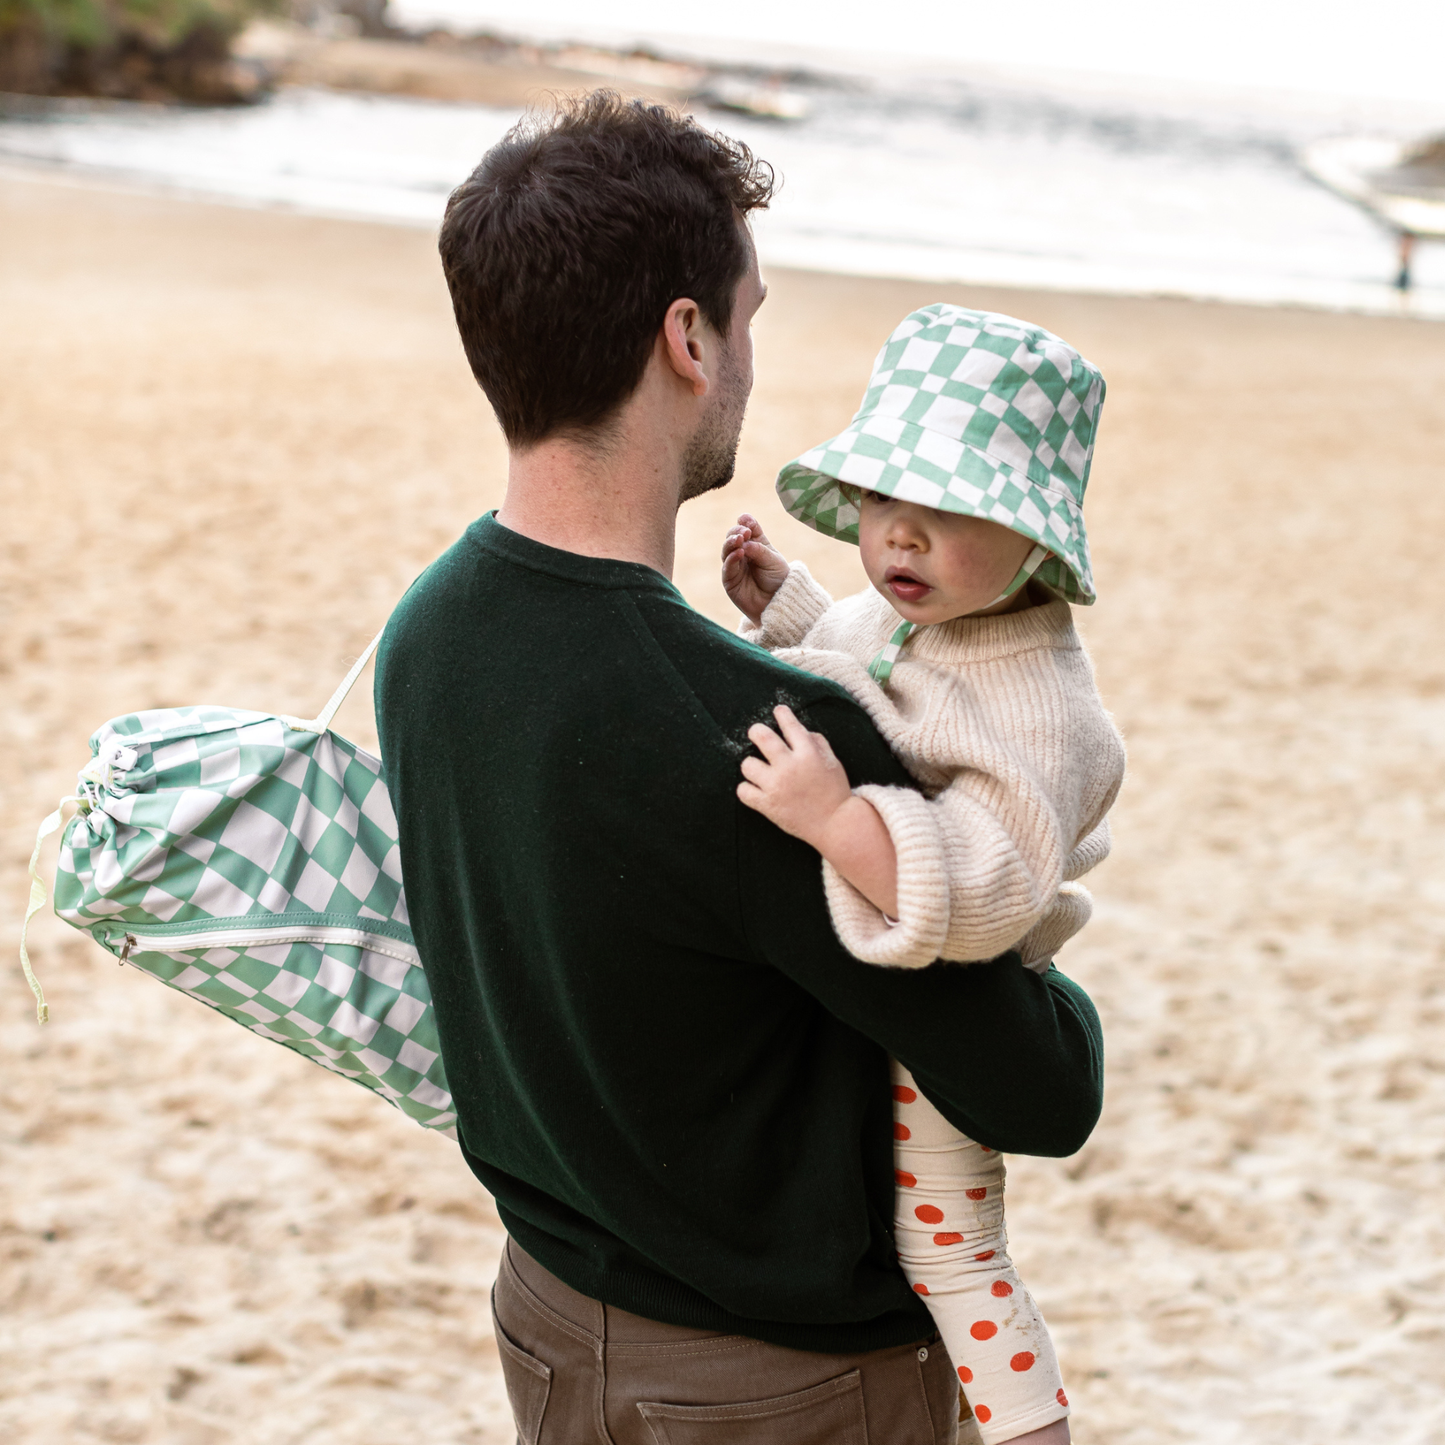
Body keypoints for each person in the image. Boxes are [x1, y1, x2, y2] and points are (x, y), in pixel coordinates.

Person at [374, 93, 1104, 1445]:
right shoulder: (762, 738)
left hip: (549, 1317)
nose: (754, 360)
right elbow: (1040, 1091)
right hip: (776, 1383)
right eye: (750, 316)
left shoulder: (426, 631)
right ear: (688, 338)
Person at [719, 304, 1126, 1444]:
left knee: (947, 1245)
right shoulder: (926, 605)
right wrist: (783, 606)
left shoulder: (1040, 705)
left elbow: (985, 885)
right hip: (872, 980)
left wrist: (838, 817)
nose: (902, 539)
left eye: (947, 515)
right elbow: (858, 661)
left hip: (956, 998)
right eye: (884, 503)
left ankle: (1028, 1429)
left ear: (1034, 541)